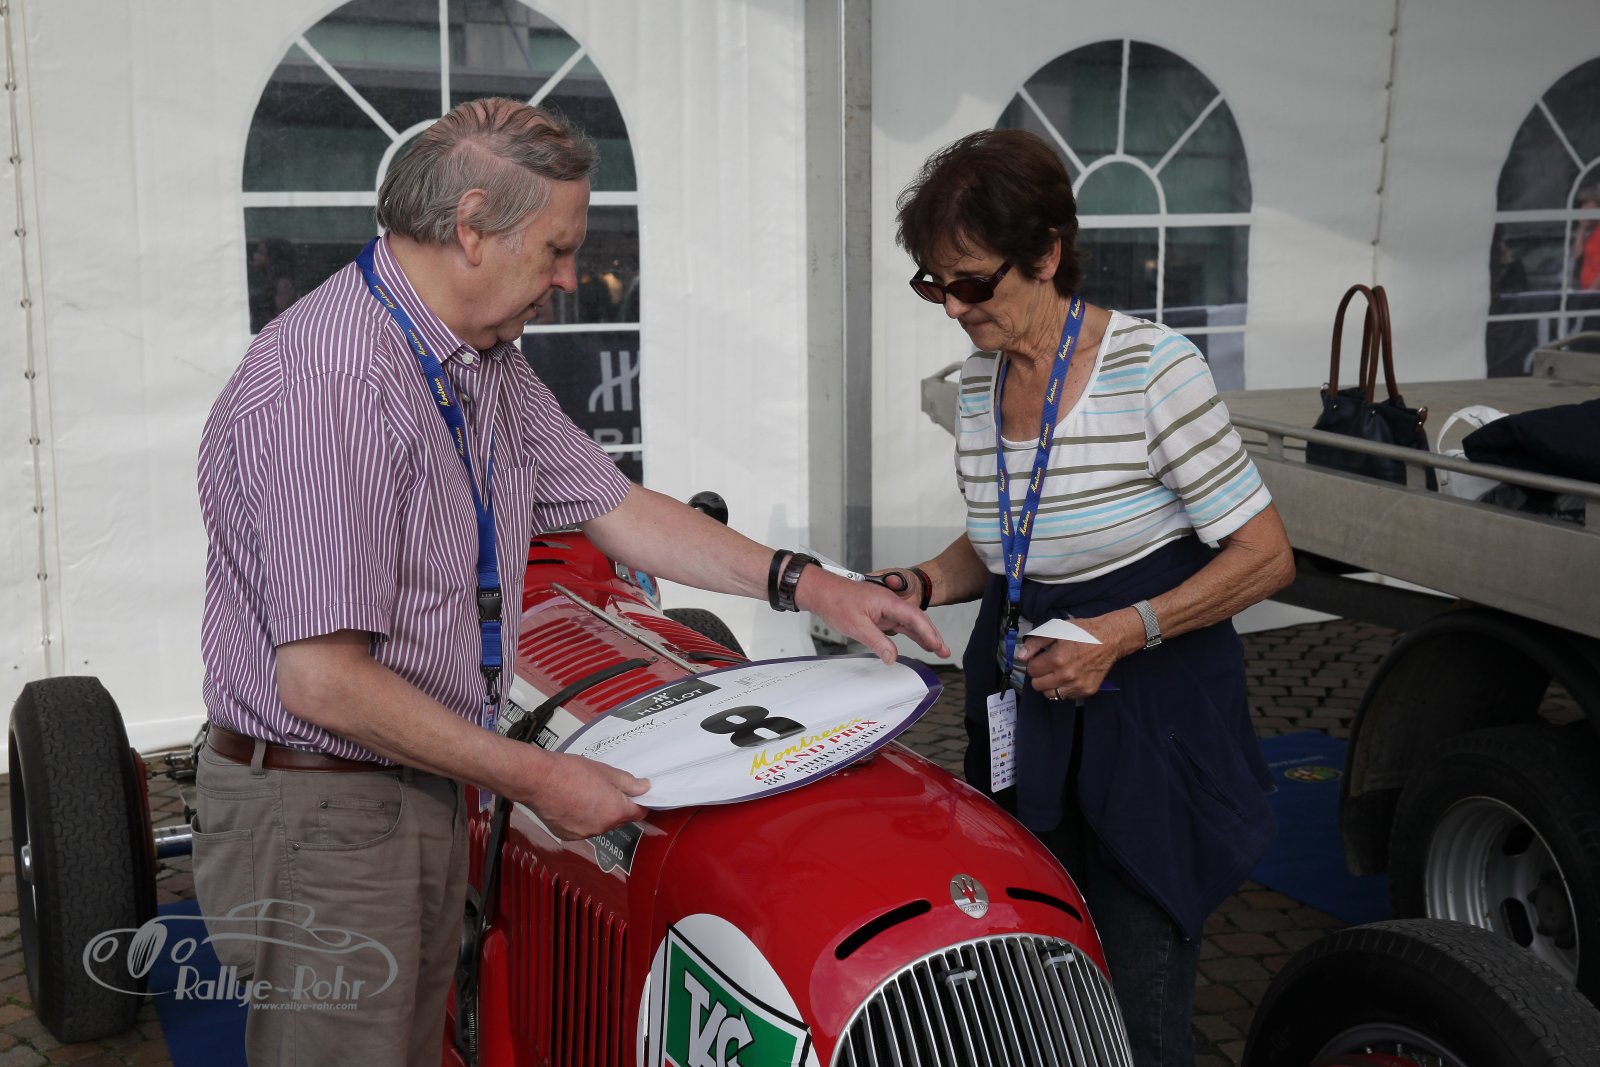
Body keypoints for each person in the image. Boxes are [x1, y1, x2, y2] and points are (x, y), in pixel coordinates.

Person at [194, 97, 947, 1066]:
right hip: (325, 808)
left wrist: (809, 584)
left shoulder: (479, 360)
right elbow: (323, 681)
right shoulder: (331, 381)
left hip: (410, 783)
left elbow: (617, 508)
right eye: (556, 249)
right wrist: (544, 778)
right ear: (472, 225)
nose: (567, 277)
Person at [877, 128, 1294, 1067]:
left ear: (1047, 254)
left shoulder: (1153, 368)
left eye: (972, 282)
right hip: (1035, 705)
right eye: (935, 285)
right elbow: (1008, 538)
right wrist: (922, 581)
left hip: (1147, 718)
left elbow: (1267, 557)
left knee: (1139, 998)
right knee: (1042, 973)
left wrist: (1124, 630)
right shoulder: (979, 382)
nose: (954, 308)